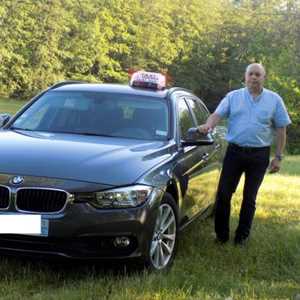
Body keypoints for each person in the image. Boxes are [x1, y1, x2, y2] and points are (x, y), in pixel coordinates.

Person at [198, 63, 291, 245]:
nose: (254, 77)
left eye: (258, 74)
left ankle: (242, 238)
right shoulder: (233, 97)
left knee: (250, 197)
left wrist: (278, 157)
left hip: (259, 155)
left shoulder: (274, 100)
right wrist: (208, 125)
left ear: (264, 78)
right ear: (245, 76)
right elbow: (216, 115)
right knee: (224, 193)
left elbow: (281, 129)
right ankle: (221, 236)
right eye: (251, 74)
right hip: (235, 152)